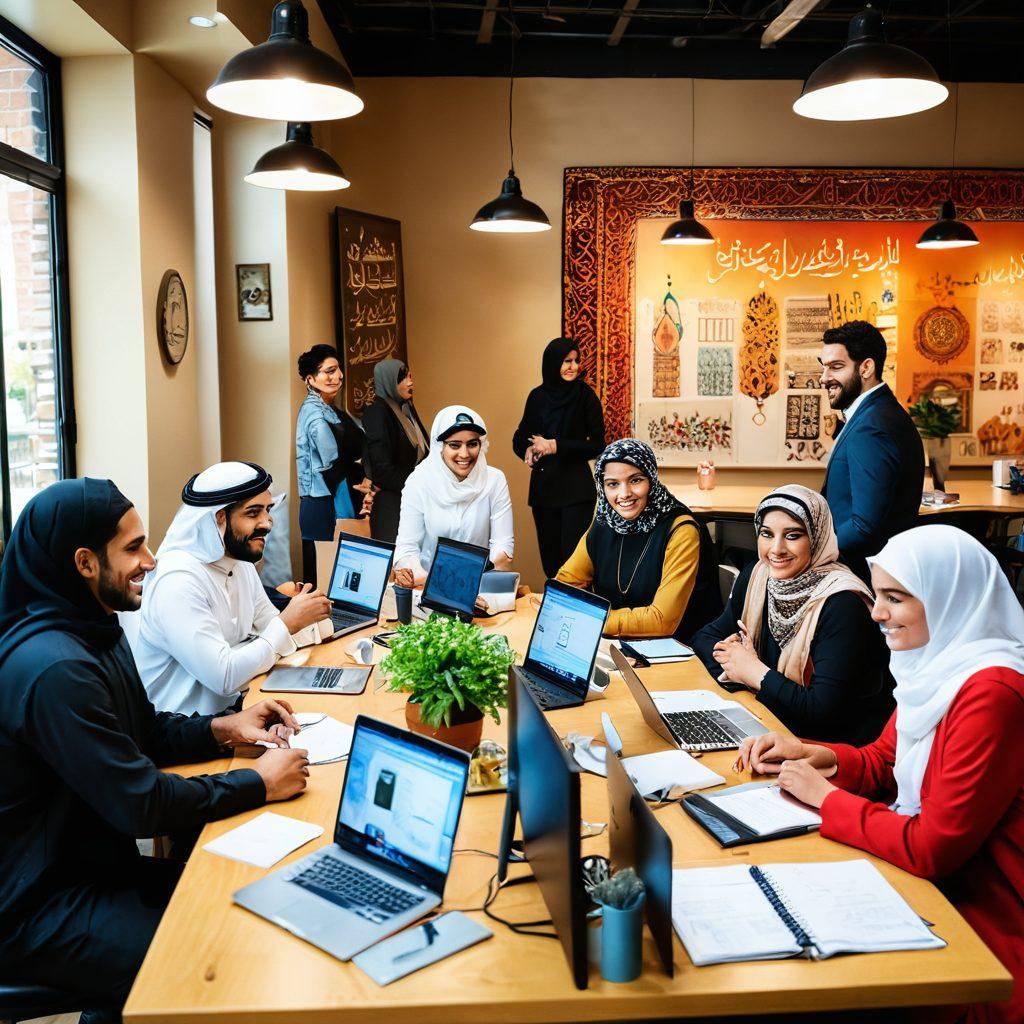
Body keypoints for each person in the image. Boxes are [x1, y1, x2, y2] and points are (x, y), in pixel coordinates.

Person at [0, 479, 310, 1022]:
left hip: (91, 867)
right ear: (84, 562)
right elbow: (139, 804)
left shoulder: (92, 625)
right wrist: (258, 782)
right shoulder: (55, 668)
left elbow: (142, 732)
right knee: (211, 954)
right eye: (133, 548)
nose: (151, 560)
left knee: (241, 901)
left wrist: (225, 727)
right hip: (37, 904)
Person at [738, 525, 1024, 1024]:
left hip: (983, 925)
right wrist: (808, 751)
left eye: (895, 598)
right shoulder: (939, 665)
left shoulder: (991, 694)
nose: (876, 613)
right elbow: (884, 760)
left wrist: (826, 800)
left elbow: (932, 848)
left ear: (947, 599)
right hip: (936, 890)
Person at [691, 485, 893, 744]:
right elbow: (704, 637)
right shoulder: (758, 575)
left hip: (825, 748)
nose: (776, 549)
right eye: (766, 534)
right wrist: (736, 664)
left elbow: (822, 713)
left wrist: (754, 673)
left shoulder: (843, 603)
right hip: (768, 724)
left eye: (793, 535)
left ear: (817, 537)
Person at [132, 462, 332, 716]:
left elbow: (271, 629)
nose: (267, 523)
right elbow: (225, 677)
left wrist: (315, 622)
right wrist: (288, 623)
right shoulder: (177, 581)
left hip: (237, 713)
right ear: (219, 518)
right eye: (253, 513)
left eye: (268, 511)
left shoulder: (239, 563)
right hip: (185, 735)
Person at [556, 438, 721, 638]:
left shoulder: (681, 530)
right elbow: (565, 584)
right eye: (613, 484)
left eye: (635, 480)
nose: (624, 494)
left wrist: (591, 619)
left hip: (680, 648)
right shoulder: (604, 520)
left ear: (651, 479)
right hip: (615, 644)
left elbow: (662, 621)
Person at [819, 320, 924, 580]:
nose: (824, 378)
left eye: (836, 367)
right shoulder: (878, 412)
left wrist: (814, 554)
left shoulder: (873, 425)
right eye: (823, 367)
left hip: (863, 576)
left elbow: (864, 527)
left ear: (866, 367)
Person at [512, 337, 606, 578]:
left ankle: (576, 612)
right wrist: (527, 450)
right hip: (544, 491)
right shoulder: (537, 397)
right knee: (551, 563)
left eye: (576, 361)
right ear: (553, 363)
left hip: (576, 491)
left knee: (573, 564)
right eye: (567, 361)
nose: (573, 367)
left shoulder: (586, 397)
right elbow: (520, 437)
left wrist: (555, 446)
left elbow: (597, 444)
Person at [393, 405, 514, 587]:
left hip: (478, 585)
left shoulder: (495, 480)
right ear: (439, 446)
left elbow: (503, 548)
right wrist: (428, 580)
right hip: (425, 586)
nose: (464, 454)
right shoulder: (419, 481)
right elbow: (407, 547)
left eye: (472, 444)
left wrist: (470, 577)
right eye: (454, 445)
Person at [295, 344, 374, 585]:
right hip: (325, 505)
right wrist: (364, 481)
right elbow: (332, 460)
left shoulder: (330, 409)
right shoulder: (315, 414)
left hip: (338, 499)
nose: (336, 376)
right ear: (311, 378)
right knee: (326, 582)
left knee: (345, 578)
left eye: (337, 369)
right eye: (328, 371)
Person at [362, 358, 429, 542]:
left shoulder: (407, 411)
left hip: (414, 503)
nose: (410, 382)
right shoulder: (377, 412)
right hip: (392, 509)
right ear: (388, 381)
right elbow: (382, 471)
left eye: (410, 376)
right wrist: (419, 485)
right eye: (403, 378)